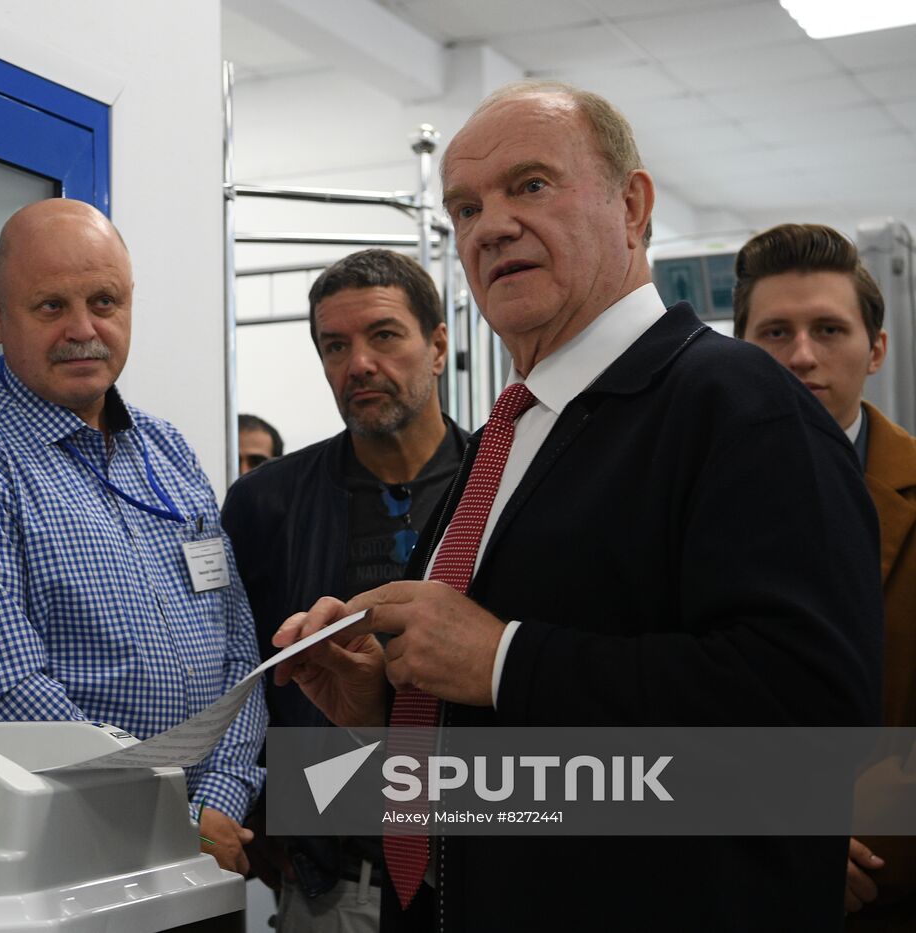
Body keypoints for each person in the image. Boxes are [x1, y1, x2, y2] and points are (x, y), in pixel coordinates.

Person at [272, 81, 883, 931]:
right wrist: (394, 705)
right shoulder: (513, 431)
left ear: (632, 206)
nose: (491, 226)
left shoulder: (742, 406)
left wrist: (503, 658)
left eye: (530, 185)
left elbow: (804, 724)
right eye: (466, 207)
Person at [0, 198, 266, 874]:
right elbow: (1, 698)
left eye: (104, 301)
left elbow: (238, 647)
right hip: (51, 859)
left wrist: (220, 798)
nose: (83, 328)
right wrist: (176, 819)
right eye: (51, 306)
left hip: (195, 853)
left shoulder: (165, 449)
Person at [223, 249, 467, 930]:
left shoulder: (500, 489)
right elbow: (240, 678)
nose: (358, 362)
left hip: (481, 858)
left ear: (438, 345)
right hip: (336, 881)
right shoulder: (265, 505)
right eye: (335, 345)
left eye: (384, 335)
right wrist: (270, 818)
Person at [735, 222, 916, 931]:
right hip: (724, 885)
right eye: (775, 333)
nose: (802, 356)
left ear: (875, 349)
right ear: (739, 353)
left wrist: (827, 842)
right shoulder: (680, 503)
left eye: (829, 330)